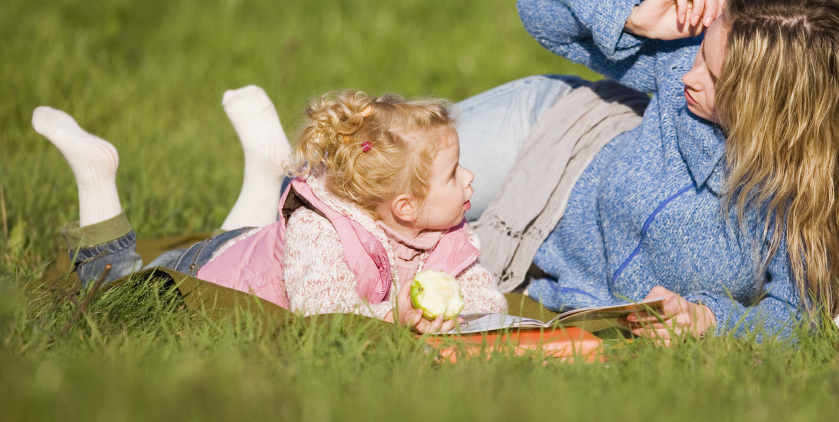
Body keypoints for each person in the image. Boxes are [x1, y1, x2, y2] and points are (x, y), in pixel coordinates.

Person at [457, 0, 839, 342]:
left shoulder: (802, 206)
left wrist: (714, 321)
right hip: (553, 136)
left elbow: (800, 316)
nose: (689, 76)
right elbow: (537, 13)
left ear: (775, 110)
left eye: (714, 77)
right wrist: (634, 19)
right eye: (700, 55)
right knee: (393, 166)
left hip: (534, 236)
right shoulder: (682, 67)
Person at [33, 86, 507, 334]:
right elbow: (323, 314)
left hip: (253, 250)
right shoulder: (322, 233)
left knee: (253, 241)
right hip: (202, 279)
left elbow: (489, 299)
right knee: (117, 298)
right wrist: (395, 317)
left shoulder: (445, 230)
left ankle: (266, 170)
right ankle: (95, 174)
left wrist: (453, 314)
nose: (469, 179)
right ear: (404, 207)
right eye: (454, 172)